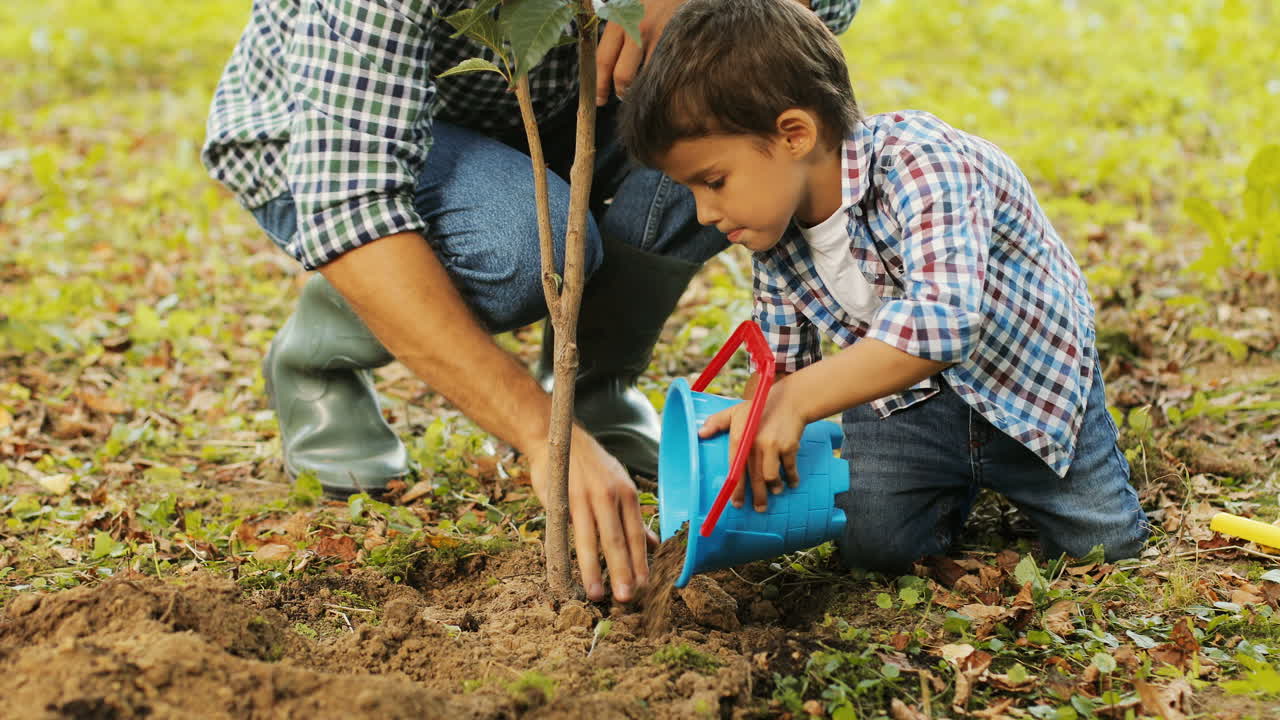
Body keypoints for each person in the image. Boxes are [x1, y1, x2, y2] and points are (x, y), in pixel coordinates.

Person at [200, 0, 861, 601]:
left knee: (728, 148)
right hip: (360, 142)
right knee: (518, 246)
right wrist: (542, 435)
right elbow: (351, 199)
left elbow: (824, 14)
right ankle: (321, 352)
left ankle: (593, 391)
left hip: (576, 113)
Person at [618, 0, 1150, 571]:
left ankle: (1022, 475)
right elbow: (780, 365)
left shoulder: (923, 162)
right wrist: (756, 427)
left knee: (1102, 549)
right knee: (872, 547)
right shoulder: (773, 240)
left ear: (794, 134)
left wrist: (793, 402)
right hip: (907, 404)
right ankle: (949, 485)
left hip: (1027, 382)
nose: (703, 213)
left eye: (714, 181)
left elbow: (942, 324)